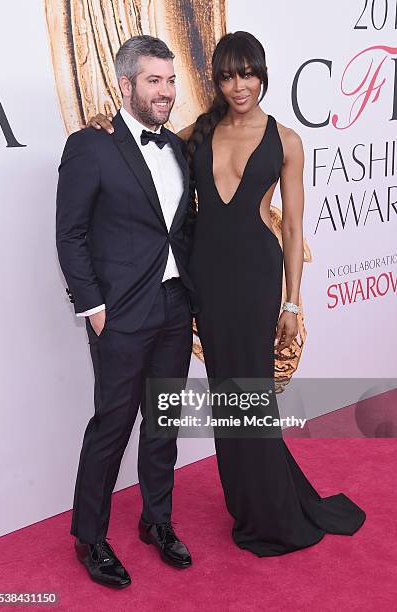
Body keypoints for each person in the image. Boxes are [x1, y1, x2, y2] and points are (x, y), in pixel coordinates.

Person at [88, 31, 365, 557]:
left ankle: (273, 511)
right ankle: (248, 501)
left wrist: (292, 301)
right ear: (215, 80)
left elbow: (293, 228)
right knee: (226, 396)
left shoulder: (285, 140)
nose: (239, 85)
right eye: (228, 75)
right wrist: (106, 123)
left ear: (262, 75)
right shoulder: (196, 133)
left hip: (257, 279)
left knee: (251, 391)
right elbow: (142, 143)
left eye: (248, 74)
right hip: (207, 280)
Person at [56, 35, 194, 589]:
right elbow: (71, 234)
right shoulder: (92, 144)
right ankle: (90, 537)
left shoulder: (179, 147)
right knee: (112, 426)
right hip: (119, 314)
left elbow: (179, 228)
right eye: (153, 81)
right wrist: (92, 307)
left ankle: (155, 521)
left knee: (163, 422)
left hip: (174, 306)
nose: (165, 91)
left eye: (169, 80)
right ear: (126, 85)